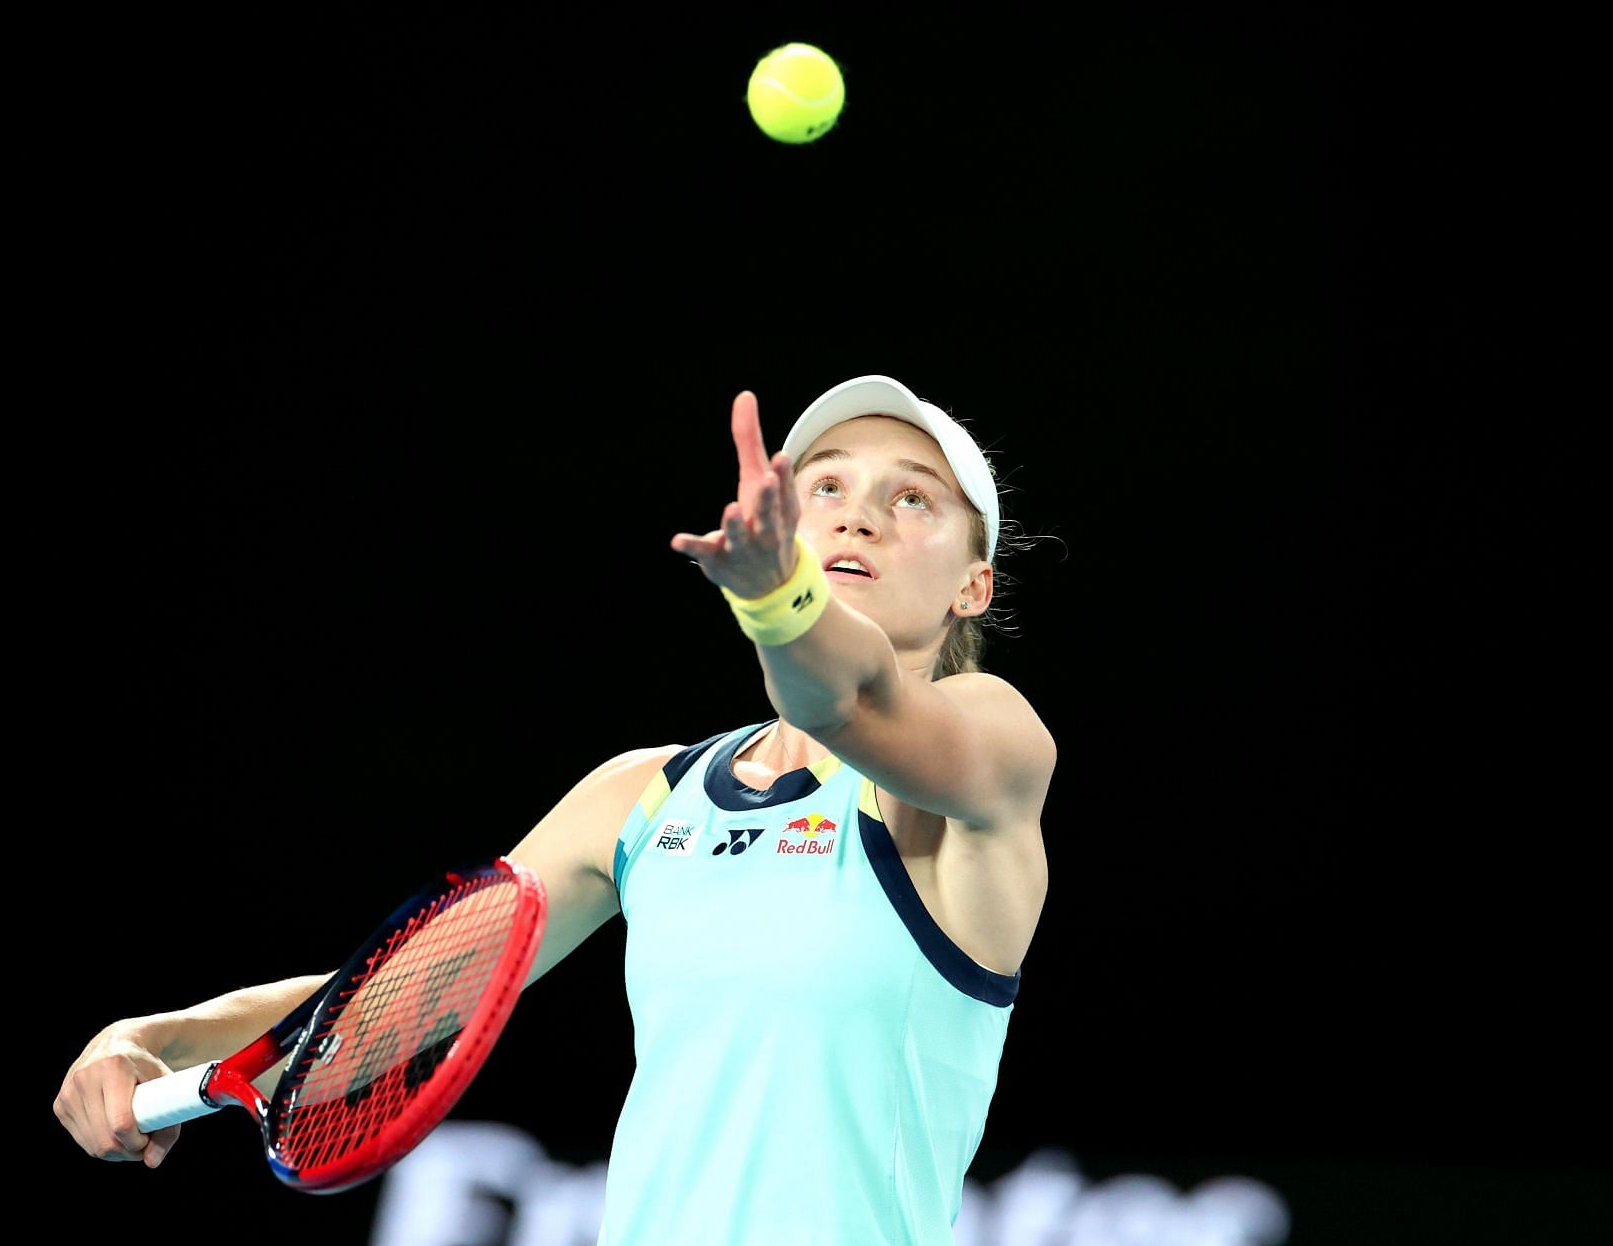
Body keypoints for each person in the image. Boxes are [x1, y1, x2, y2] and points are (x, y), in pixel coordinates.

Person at [54, 373, 1056, 1245]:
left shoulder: (993, 754)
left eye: (912, 498)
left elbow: (856, 697)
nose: (860, 513)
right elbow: (379, 1012)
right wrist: (155, 1039)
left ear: (975, 585)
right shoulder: (645, 797)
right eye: (826, 486)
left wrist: (778, 599)